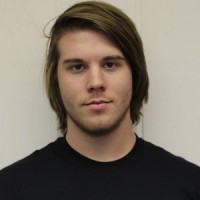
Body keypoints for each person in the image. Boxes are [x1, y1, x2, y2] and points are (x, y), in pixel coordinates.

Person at [0, 1, 200, 199]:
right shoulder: (9, 189)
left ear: (135, 73)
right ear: (56, 80)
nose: (95, 82)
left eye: (110, 64)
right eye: (77, 67)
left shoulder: (189, 185)